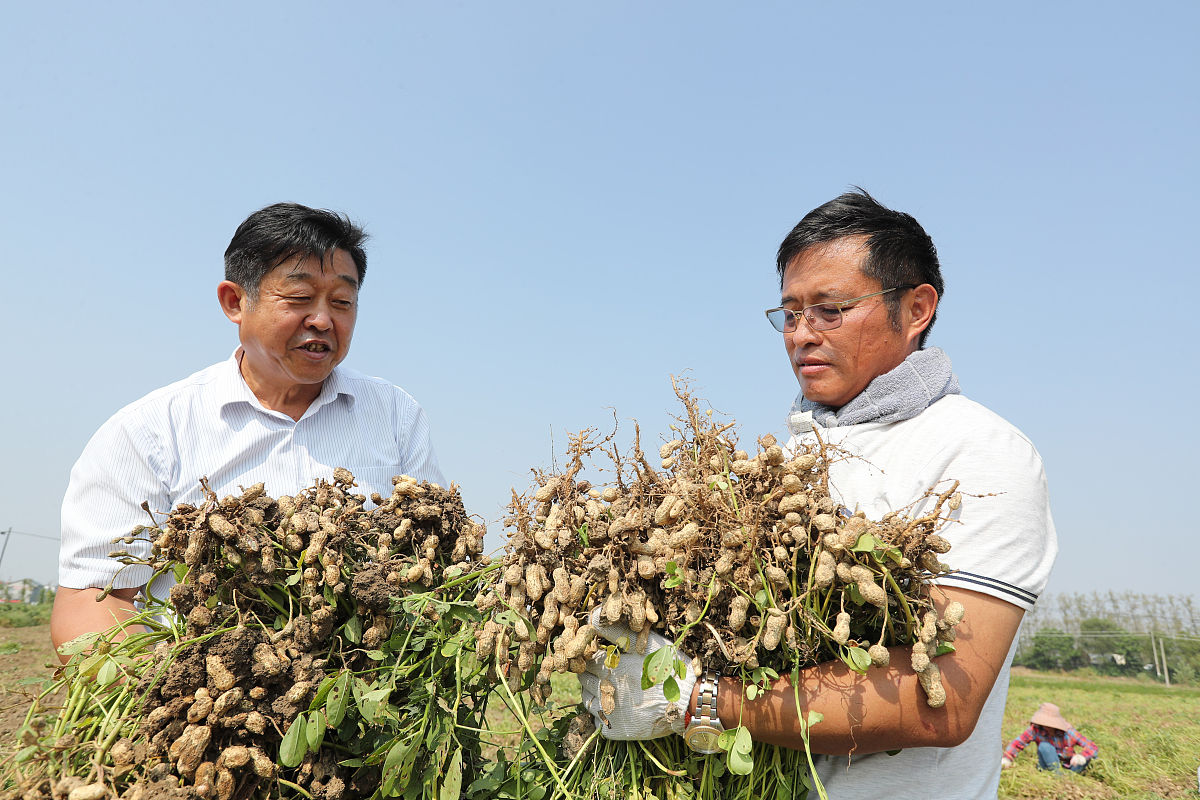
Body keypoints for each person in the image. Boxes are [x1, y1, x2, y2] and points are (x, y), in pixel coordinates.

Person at [579, 189, 1058, 799]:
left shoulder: (979, 453)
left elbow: (941, 700)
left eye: (830, 309)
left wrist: (700, 700)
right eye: (789, 313)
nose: (801, 334)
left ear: (916, 309)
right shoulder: (786, 461)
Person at [51, 203, 445, 655]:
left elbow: (431, 563)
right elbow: (90, 602)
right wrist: (183, 698)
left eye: (342, 302)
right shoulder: (148, 433)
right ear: (235, 302)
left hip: (370, 703)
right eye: (298, 299)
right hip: (215, 703)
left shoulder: (396, 415)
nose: (322, 320)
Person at [1002, 702, 1097, 773]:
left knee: (1089, 758)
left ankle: (1066, 777)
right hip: (1047, 767)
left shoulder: (1068, 733)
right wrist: (1007, 758)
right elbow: (1017, 743)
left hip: (1069, 768)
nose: (1046, 726)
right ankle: (1056, 776)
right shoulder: (1035, 730)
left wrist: (1082, 756)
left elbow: (1092, 747)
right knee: (1044, 746)